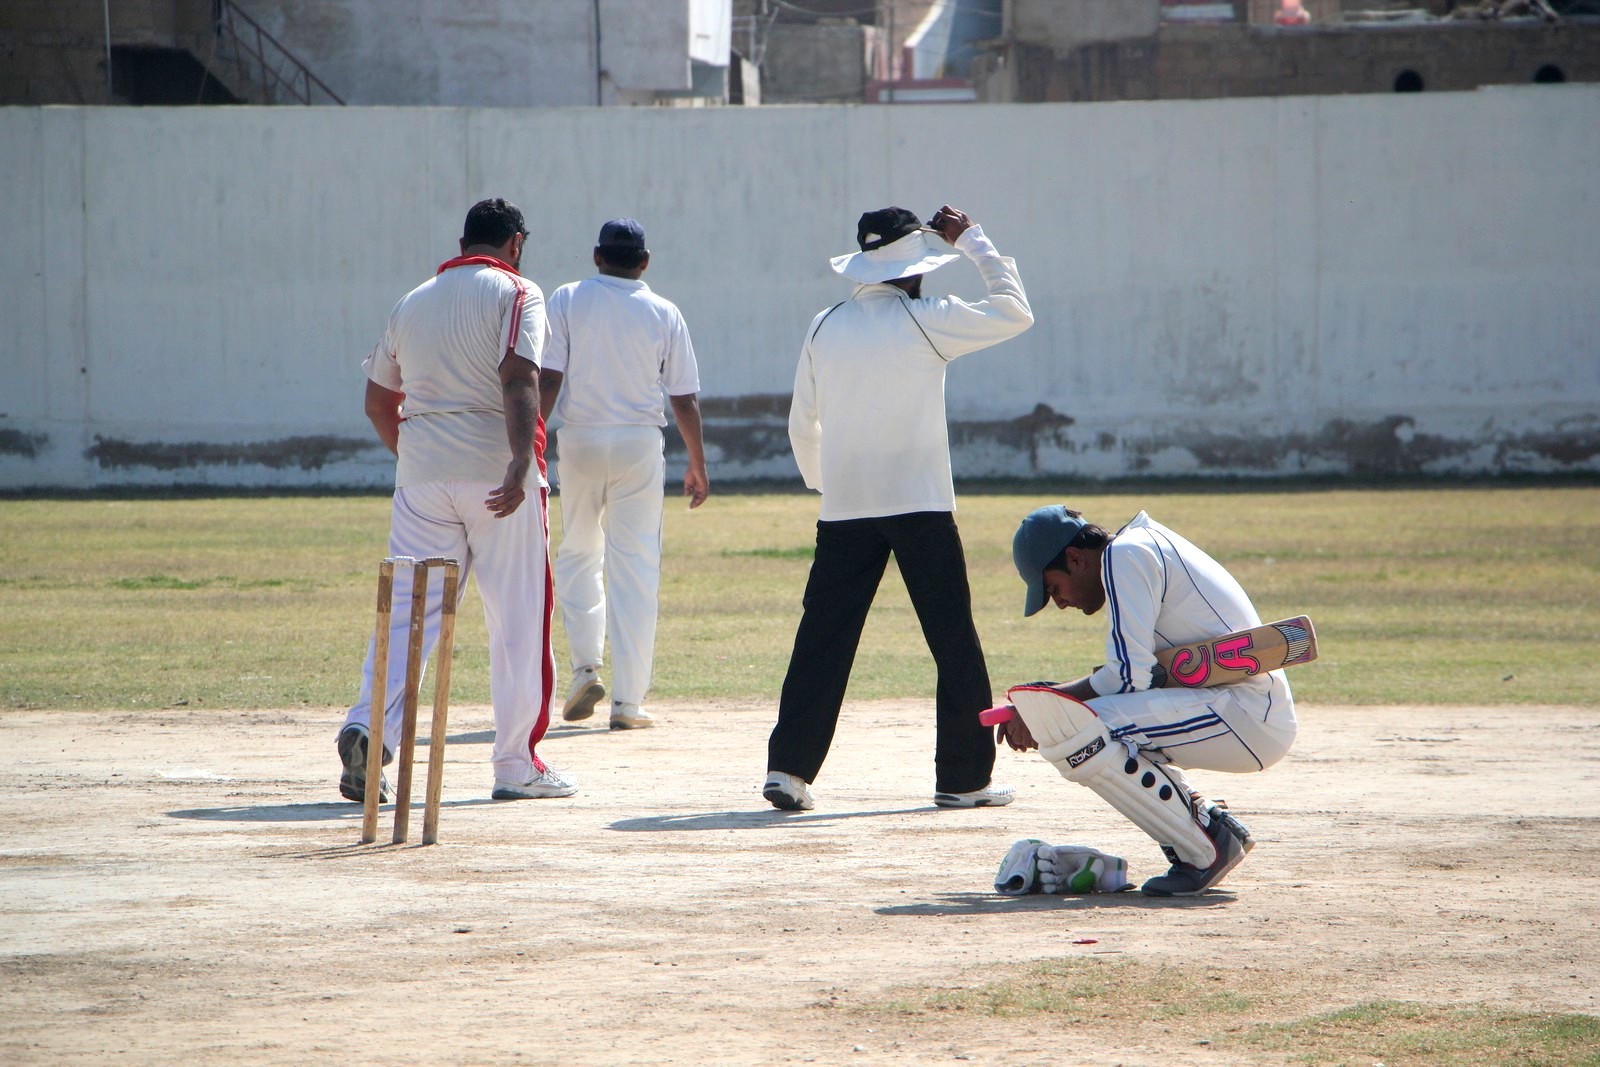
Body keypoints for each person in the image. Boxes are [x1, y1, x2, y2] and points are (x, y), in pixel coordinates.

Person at [762, 204, 1034, 811]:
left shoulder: (824, 325)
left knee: (821, 640)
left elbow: (802, 422)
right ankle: (963, 780)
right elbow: (1016, 310)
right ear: (913, 268)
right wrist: (975, 242)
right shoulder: (927, 319)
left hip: (845, 509)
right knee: (953, 640)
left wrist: (828, 484)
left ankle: (788, 771)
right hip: (920, 506)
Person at [338, 197, 577, 804]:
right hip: (499, 475)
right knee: (518, 618)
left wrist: (418, 461)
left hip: (421, 477)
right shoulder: (519, 292)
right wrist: (520, 460)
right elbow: (520, 377)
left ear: (463, 242)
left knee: (408, 611)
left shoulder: (412, 301)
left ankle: (369, 726)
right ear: (516, 244)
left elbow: (377, 402)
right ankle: (516, 764)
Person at [998, 504, 1299, 895]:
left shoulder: (1125, 556)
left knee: (1077, 729)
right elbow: (1138, 677)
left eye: (1054, 589)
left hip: (1247, 713)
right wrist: (1048, 702)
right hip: (1241, 707)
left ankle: (1204, 850)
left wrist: (1045, 706)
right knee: (1081, 721)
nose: (1059, 603)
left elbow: (1129, 677)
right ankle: (1208, 821)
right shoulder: (1137, 547)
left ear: (1075, 558)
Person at [539, 218, 708, 731]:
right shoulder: (664, 311)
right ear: (645, 262)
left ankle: (584, 669)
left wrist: (530, 442)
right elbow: (683, 397)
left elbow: (549, 378)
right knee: (635, 565)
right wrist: (698, 463)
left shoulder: (567, 297)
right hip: (638, 443)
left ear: (597, 256)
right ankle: (628, 703)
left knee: (578, 552)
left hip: (581, 440)